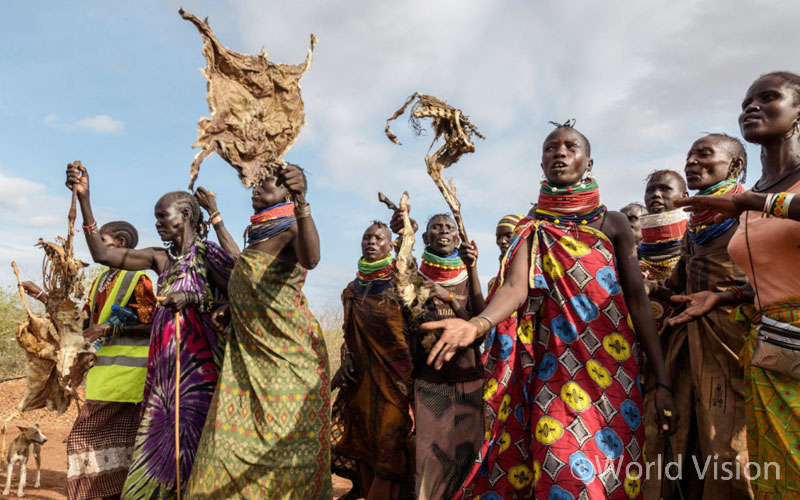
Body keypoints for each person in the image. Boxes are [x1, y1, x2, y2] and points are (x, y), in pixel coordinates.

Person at [430, 122, 677, 500]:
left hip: (613, 374)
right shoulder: (531, 227)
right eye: (550, 147)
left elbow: (638, 303)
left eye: (570, 146)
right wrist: (477, 326)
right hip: (554, 370)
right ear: (541, 163)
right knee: (561, 472)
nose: (559, 152)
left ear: (588, 162)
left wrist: (661, 382)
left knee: (612, 476)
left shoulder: (612, 225)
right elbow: (514, 289)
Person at [65, 164, 233, 499]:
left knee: (192, 447)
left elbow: (238, 297)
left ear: (184, 216)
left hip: (199, 374)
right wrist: (85, 200)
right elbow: (102, 254)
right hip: (162, 375)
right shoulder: (159, 259)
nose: (157, 224)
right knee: (157, 450)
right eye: (156, 218)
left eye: (162, 217)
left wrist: (195, 298)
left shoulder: (209, 255)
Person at [669, 71, 800, 499]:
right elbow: (772, 278)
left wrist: (747, 202)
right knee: (774, 473)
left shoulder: (748, 200)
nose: (752, 107)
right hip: (771, 348)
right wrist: (726, 296)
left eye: (768, 97)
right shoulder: (755, 194)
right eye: (746, 101)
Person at [185, 165, 332, 499]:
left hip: (287, 357)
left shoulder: (293, 227)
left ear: (287, 190)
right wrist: (233, 304)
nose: (257, 185)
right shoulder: (260, 234)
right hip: (249, 355)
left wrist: (302, 202)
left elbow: (312, 259)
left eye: (269, 179)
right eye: (255, 179)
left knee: (283, 448)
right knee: (226, 444)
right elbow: (243, 267)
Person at [23, 222, 156, 500]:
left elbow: (154, 323)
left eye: (102, 240)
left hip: (128, 381)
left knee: (81, 440)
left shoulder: (139, 280)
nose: (96, 246)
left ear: (119, 243)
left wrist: (111, 329)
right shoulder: (101, 282)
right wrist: (42, 295)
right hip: (103, 379)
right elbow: (82, 322)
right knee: (119, 446)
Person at [389, 210, 484, 500]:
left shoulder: (469, 276)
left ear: (457, 237)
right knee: (431, 463)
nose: (443, 230)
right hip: (430, 383)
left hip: (471, 382)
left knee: (471, 460)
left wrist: (451, 295)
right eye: (435, 227)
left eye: (448, 227)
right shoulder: (415, 281)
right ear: (427, 237)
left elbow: (482, 327)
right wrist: (403, 235)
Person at [332, 221, 414, 500]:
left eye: (379, 238)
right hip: (362, 381)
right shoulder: (352, 289)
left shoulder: (401, 283)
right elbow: (347, 334)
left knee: (391, 439)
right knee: (365, 440)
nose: (371, 242)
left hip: (397, 380)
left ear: (390, 245)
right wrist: (346, 361)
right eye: (367, 237)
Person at [636, 171, 694, 500]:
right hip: (642, 360)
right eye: (651, 188)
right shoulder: (633, 254)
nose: (656, 194)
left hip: (688, 351)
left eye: (665, 188)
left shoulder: (697, 240)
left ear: (683, 194)